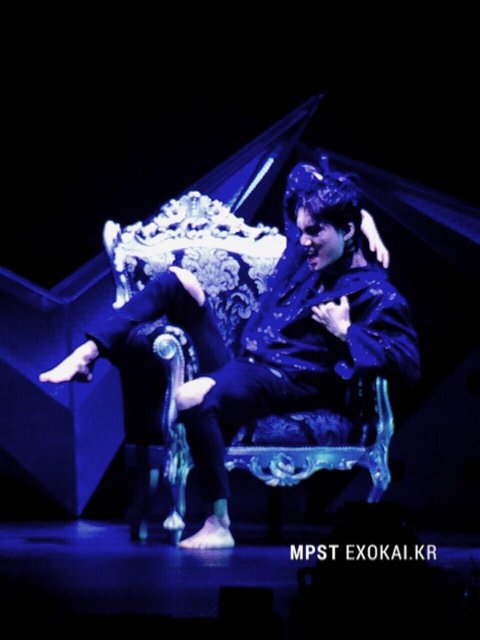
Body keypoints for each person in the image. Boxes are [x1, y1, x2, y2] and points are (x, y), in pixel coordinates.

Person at [40, 163, 420, 549]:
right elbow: (301, 175)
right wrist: (364, 214)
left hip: (287, 380)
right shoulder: (306, 257)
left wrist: (346, 332)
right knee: (177, 281)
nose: (304, 240)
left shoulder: (375, 293)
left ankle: (218, 522)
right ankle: (88, 353)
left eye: (315, 231)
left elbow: (408, 364)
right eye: (302, 230)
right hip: (247, 362)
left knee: (189, 397)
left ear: (346, 232)